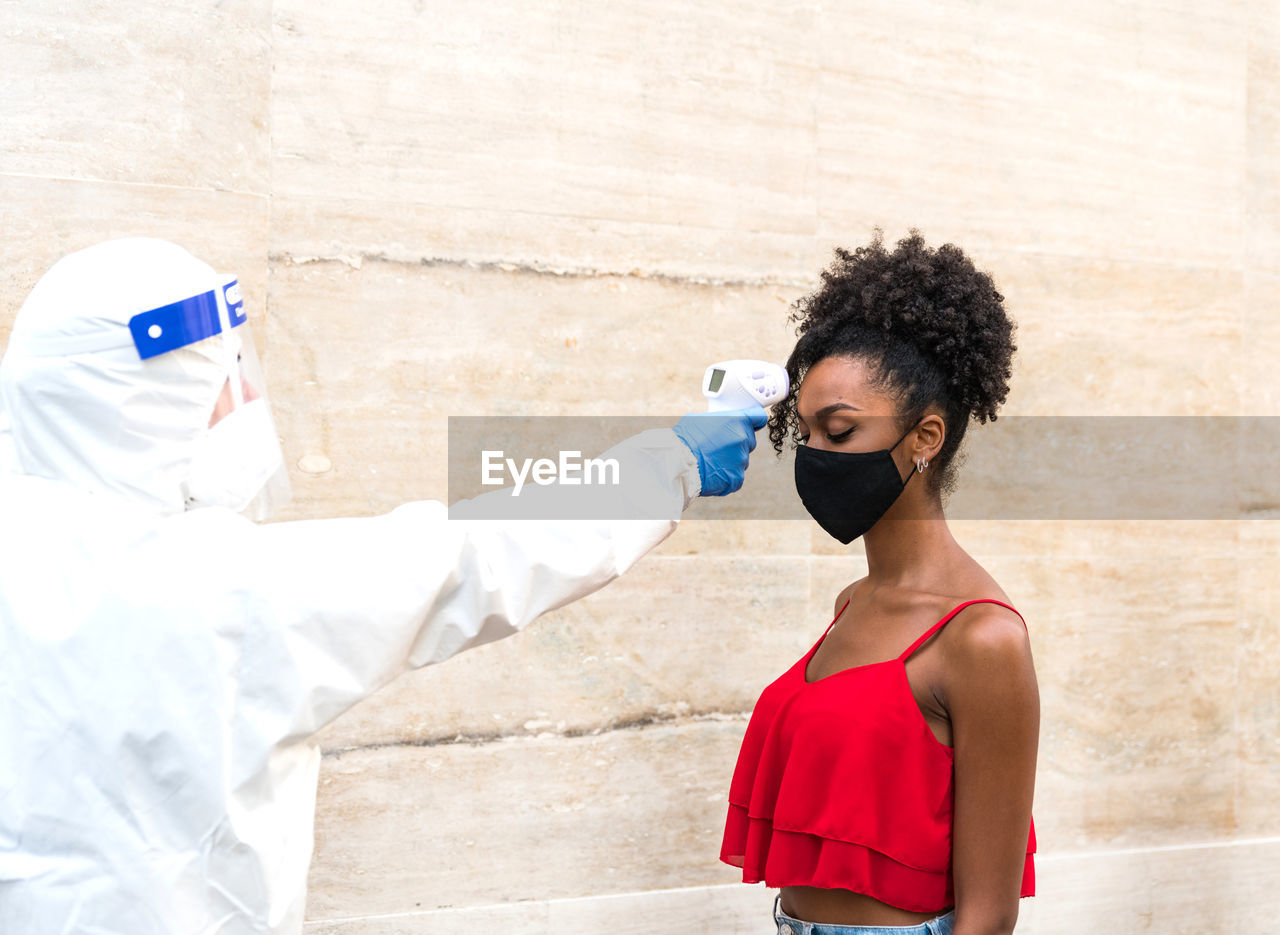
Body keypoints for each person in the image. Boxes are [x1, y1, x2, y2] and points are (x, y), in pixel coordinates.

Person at [0, 237, 767, 935]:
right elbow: (479, 553)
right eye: (218, 383)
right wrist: (677, 459)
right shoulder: (221, 590)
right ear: (142, 405)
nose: (237, 408)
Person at [719, 231, 1038, 935]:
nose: (814, 456)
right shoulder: (853, 605)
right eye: (804, 432)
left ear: (925, 437)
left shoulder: (982, 637)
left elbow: (988, 913)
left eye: (839, 430)